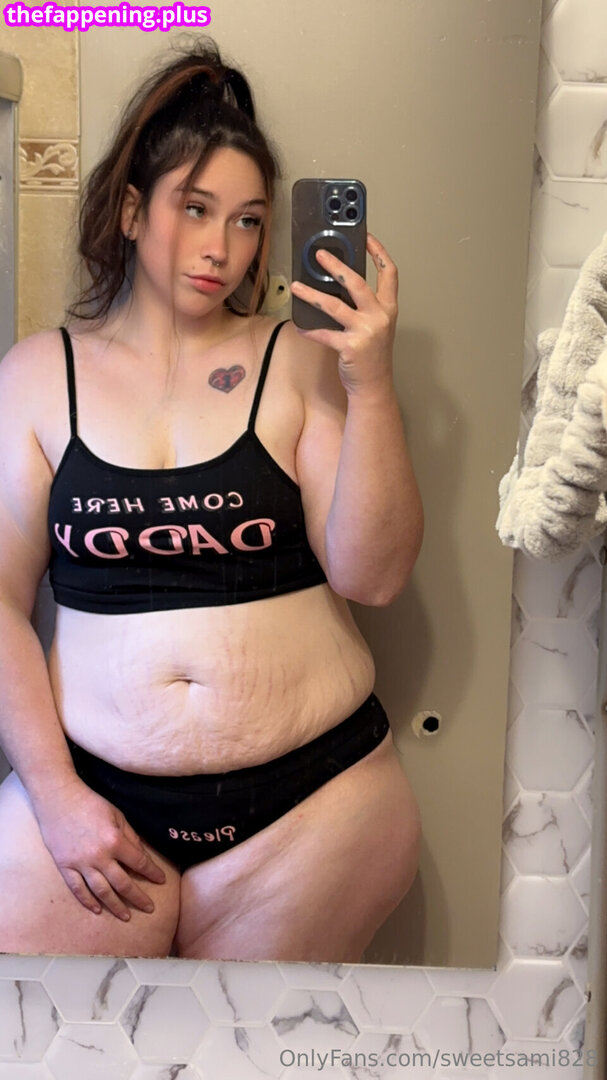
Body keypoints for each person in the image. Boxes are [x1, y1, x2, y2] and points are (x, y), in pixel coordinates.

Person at [0, 40, 423, 961]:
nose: (220, 249)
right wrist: (56, 798)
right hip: (93, 803)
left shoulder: (300, 360)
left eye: (247, 221)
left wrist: (370, 383)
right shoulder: (36, 376)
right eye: (194, 209)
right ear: (130, 211)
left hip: (313, 809)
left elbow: (375, 577)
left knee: (254, 1042)